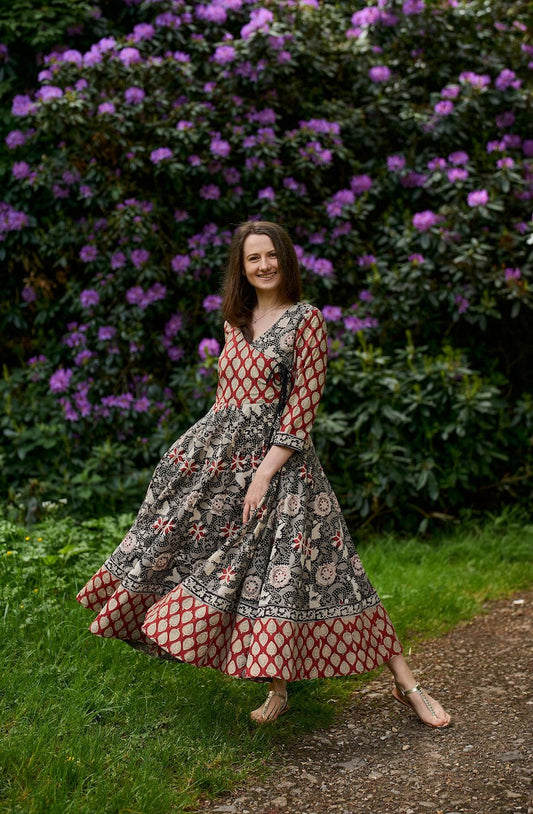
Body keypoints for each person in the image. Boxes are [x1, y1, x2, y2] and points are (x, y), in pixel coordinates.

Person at [77, 220, 450, 728]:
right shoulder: (234, 320)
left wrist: (264, 474)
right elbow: (225, 401)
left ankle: (409, 685)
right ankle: (278, 688)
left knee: (332, 569)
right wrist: (193, 454)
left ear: (286, 259)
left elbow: (302, 407)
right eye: (253, 258)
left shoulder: (306, 320)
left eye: (271, 255)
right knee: (227, 564)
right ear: (242, 268)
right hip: (220, 465)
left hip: (286, 467)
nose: (264, 265)